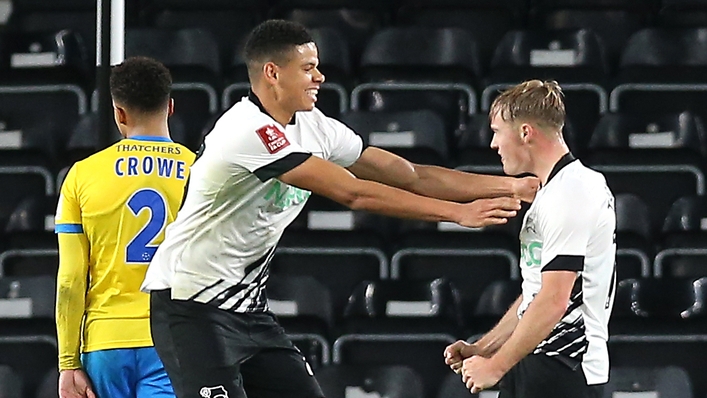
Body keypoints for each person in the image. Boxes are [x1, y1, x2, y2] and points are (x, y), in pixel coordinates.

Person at [141, 20, 539, 398]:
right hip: (190, 305)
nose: (320, 77)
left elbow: (410, 173)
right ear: (272, 73)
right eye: (309, 68)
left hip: (247, 309)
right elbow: (354, 194)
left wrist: (511, 185)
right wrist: (457, 214)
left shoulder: (313, 125)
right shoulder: (247, 130)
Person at [444, 80, 616, 398]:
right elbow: (534, 295)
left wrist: (495, 368)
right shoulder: (555, 191)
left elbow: (554, 300)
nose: (493, 144)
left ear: (525, 133)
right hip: (539, 361)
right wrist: (483, 349)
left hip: (565, 364)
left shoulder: (573, 192)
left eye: (497, 131)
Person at [55, 56, 195, 398]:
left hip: (105, 343)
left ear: (119, 113)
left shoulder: (81, 175)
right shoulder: (199, 171)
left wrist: (68, 362)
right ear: (171, 107)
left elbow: (71, 280)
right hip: (172, 339)